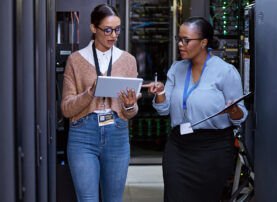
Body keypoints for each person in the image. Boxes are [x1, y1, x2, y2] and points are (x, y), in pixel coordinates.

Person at [142, 17, 248, 202]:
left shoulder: (226, 71)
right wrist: (160, 93)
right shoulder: (176, 69)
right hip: (178, 147)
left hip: (212, 149)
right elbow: (164, 110)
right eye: (179, 39)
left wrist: (233, 110)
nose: (180, 44)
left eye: (186, 40)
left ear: (203, 42)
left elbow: (240, 116)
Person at [61, 4, 139, 202]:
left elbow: (131, 112)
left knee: (113, 199)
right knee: (87, 198)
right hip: (83, 135)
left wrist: (130, 105)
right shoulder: (76, 60)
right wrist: (90, 93)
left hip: (118, 134)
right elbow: (67, 108)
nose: (113, 35)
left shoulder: (128, 60)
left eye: (117, 29)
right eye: (107, 30)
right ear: (94, 28)